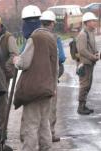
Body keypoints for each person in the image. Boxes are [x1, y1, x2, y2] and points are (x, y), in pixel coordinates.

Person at [6, 5, 57, 151]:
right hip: (48, 89)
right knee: (44, 128)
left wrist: (15, 60)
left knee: (30, 128)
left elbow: (23, 63)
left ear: (26, 22)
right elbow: (55, 66)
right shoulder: (51, 37)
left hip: (34, 91)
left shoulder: (34, 38)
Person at [40, 10, 66, 143]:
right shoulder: (55, 38)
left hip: (37, 78)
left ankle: (36, 134)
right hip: (51, 77)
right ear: (52, 24)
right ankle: (50, 133)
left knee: (36, 108)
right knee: (51, 107)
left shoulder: (33, 37)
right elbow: (61, 57)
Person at [76, 12, 99, 115]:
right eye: (93, 21)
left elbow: (93, 47)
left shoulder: (91, 32)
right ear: (87, 22)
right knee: (84, 85)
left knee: (88, 85)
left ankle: (83, 105)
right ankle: (80, 107)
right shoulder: (83, 34)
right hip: (85, 64)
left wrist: (97, 54)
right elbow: (82, 50)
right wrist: (93, 57)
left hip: (90, 63)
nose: (95, 22)